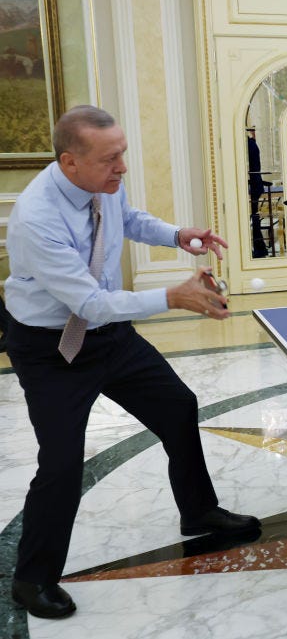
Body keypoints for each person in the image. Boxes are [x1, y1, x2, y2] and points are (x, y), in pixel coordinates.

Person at [4, 105, 260, 620]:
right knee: (60, 463)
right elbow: (91, 304)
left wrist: (176, 235)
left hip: (110, 337)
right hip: (51, 348)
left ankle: (198, 510)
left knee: (177, 407)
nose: (122, 167)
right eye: (110, 159)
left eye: (122, 154)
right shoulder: (36, 218)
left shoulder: (99, 184)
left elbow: (129, 218)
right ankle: (32, 578)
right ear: (69, 162)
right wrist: (172, 296)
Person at [246, 127, 269, 258]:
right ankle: (260, 248)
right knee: (255, 218)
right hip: (255, 185)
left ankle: (260, 249)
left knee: (254, 218)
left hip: (254, 187)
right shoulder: (252, 144)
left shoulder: (250, 145)